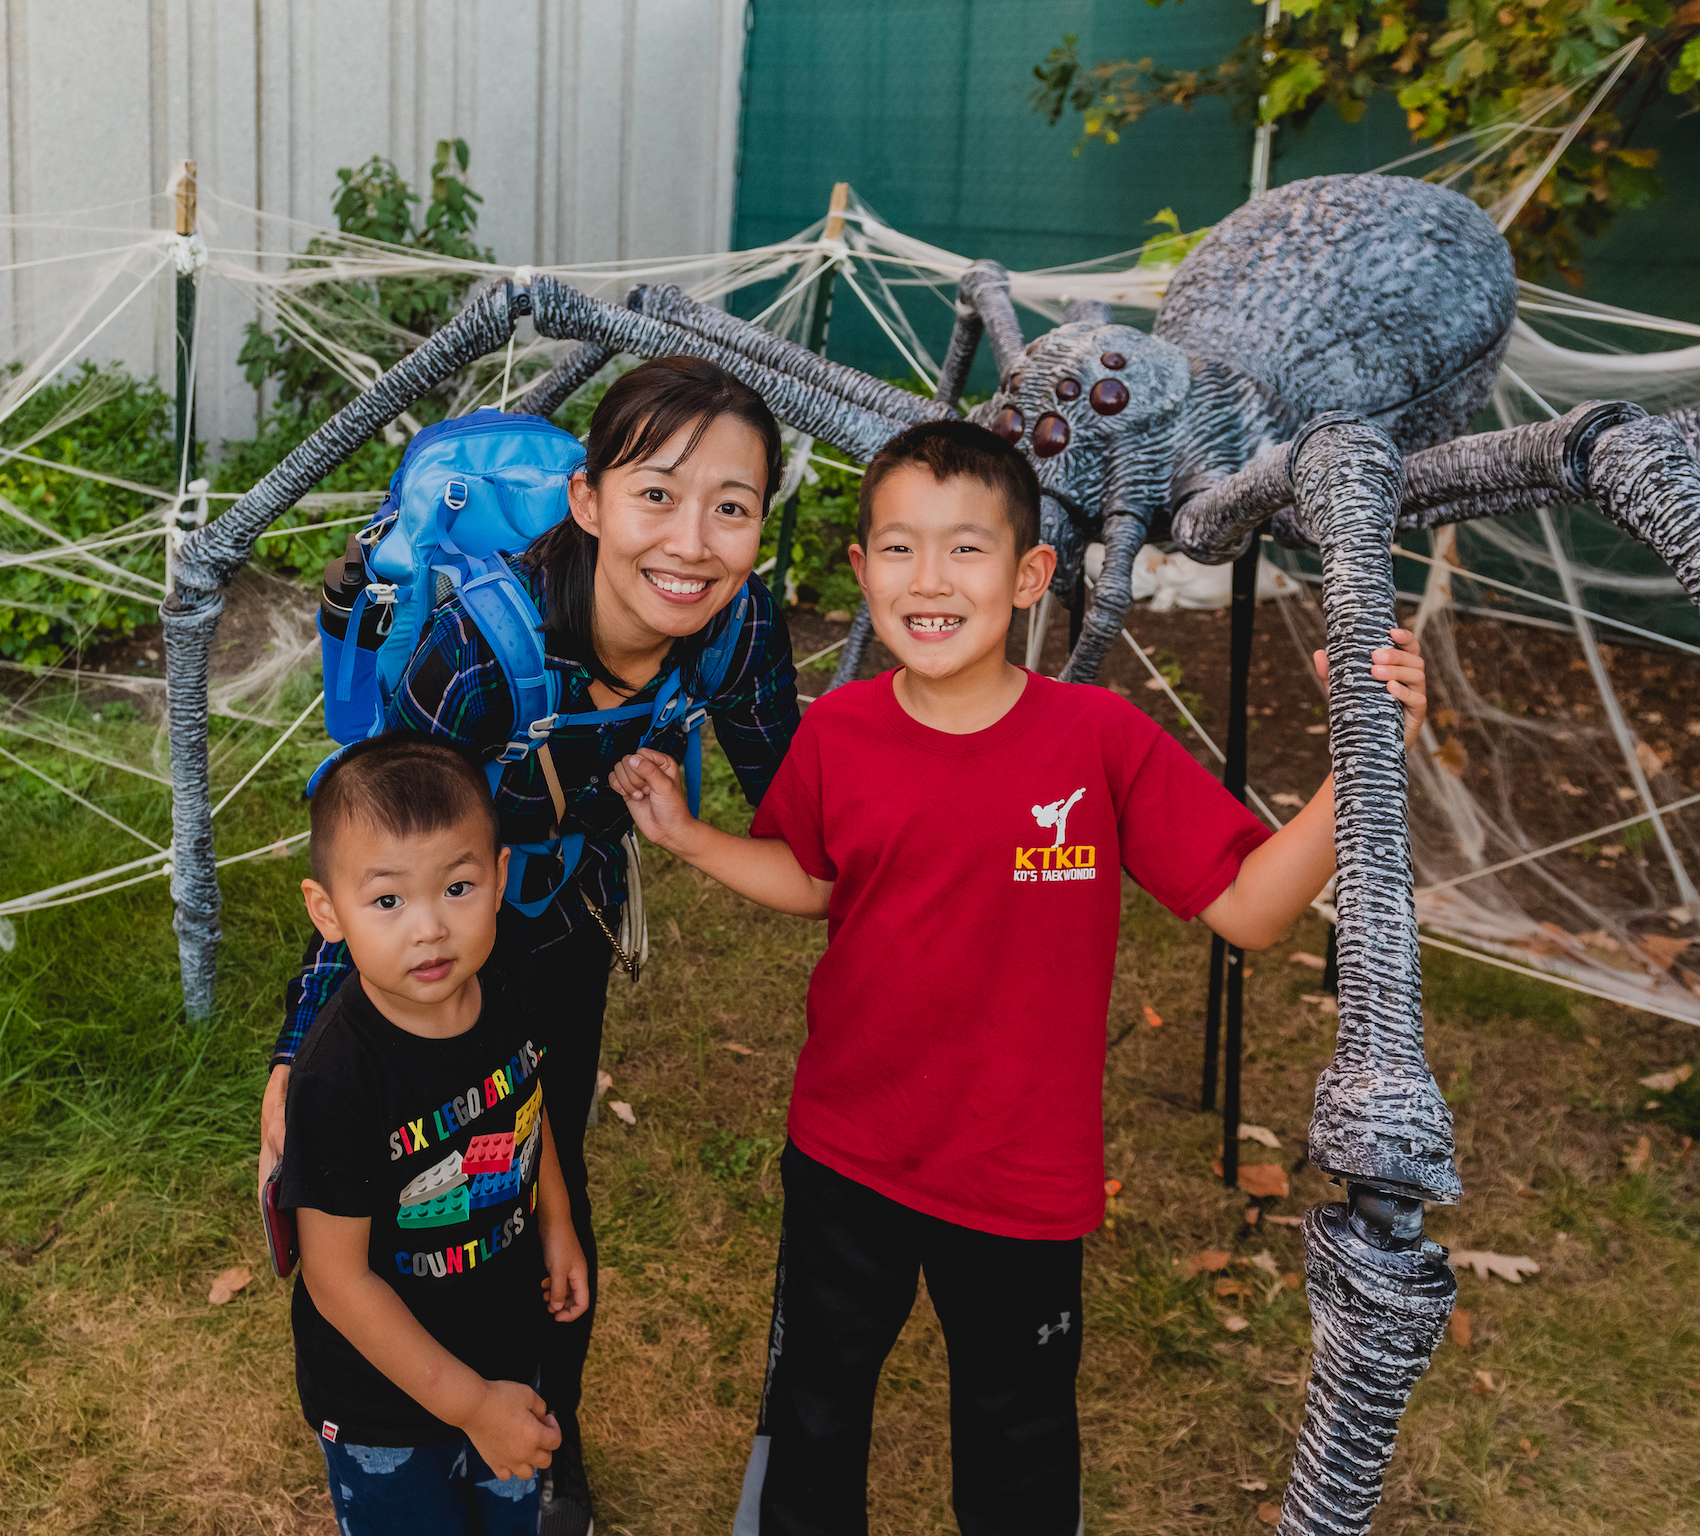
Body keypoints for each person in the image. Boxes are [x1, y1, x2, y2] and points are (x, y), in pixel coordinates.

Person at [608, 419, 1427, 1536]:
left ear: (1032, 574)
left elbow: (1251, 910)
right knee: (816, 1405)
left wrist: (1359, 763)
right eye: (898, 549)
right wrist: (691, 837)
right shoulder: (840, 730)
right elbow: (814, 879)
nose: (929, 579)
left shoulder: (1100, 740)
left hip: (1018, 1176)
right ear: (860, 573)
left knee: (1018, 1431)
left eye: (966, 549)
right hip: (847, 1150)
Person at [262, 356, 801, 1534]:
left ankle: (542, 1452)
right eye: (657, 494)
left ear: (763, 525)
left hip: (562, 921)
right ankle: (409, 1429)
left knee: (533, 1168)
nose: (694, 543)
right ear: (590, 501)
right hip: (435, 918)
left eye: (733, 507)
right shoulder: (477, 644)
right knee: (400, 1181)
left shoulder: (740, 625)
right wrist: (299, 1050)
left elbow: (807, 805)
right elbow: (383, 850)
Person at [275, 733, 590, 1535]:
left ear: (499, 880)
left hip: (505, 1348)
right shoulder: (336, 1080)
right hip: (386, 1406)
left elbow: (528, 1102)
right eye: (387, 901)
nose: (429, 930)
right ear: (328, 913)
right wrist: (471, 1405)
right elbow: (338, 1282)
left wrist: (556, 1223)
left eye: (456, 887)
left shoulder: (508, 982)